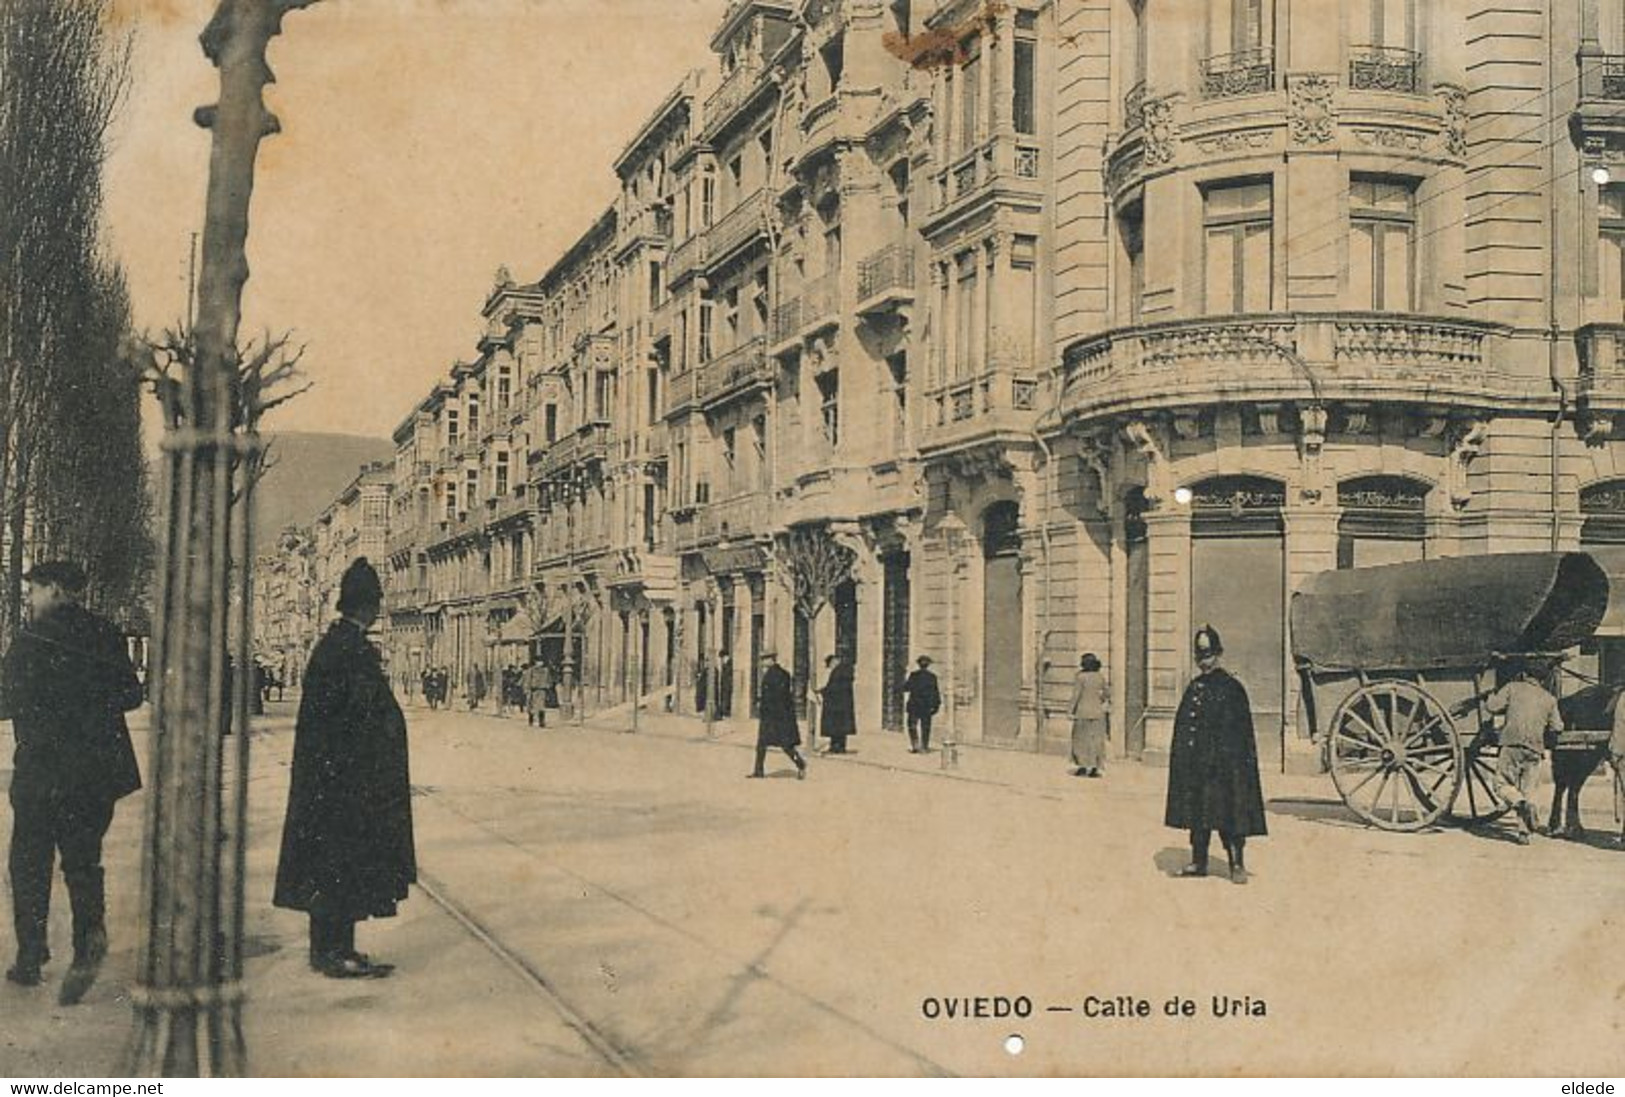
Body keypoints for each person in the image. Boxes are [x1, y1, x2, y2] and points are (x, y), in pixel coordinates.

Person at [1, 561, 143, 1003]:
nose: (31, 598)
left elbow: (3, 701)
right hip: (93, 774)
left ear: (57, 590)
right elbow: (132, 695)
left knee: (29, 861)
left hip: (42, 770)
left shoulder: (29, 641)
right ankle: (88, 940)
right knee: (83, 860)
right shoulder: (107, 634)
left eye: (36, 589)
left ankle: (30, 953)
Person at [273, 558, 416, 979]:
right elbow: (357, 713)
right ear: (368, 608)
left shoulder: (336, 645)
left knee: (335, 864)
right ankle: (334, 951)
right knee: (339, 863)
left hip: (334, 777)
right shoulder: (347, 650)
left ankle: (333, 947)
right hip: (344, 780)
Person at [1164, 626, 1267, 884]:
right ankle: (1199, 861)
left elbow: (1240, 735)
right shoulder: (1195, 687)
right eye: (1199, 656)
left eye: (1208, 655)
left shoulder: (1232, 688)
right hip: (1197, 766)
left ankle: (1236, 864)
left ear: (1218, 654)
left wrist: (1226, 763)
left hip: (1224, 768)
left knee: (1229, 813)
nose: (1204, 662)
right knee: (1197, 813)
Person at [1483, 659, 1563, 844]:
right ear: (1542, 680)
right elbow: (1557, 726)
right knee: (1529, 789)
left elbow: (1492, 706)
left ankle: (1519, 802)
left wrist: (1488, 695)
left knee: (1501, 784)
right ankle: (1523, 833)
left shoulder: (1512, 688)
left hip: (1511, 745)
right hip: (1534, 749)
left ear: (1525, 675)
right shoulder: (1549, 699)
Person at [750, 650, 807, 780]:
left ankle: (801, 764)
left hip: (776, 716)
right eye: (762, 659)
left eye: (765, 659)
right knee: (763, 744)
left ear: (772, 660)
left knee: (785, 745)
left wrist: (764, 705)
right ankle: (758, 771)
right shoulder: (777, 674)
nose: (763, 662)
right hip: (774, 716)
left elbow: (778, 696)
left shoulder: (777, 675)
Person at [1068, 653, 1110, 777]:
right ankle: (1094, 768)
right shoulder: (1100, 677)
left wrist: (1070, 710)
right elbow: (1106, 694)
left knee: (1080, 740)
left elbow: (1076, 695)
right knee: (1096, 740)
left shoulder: (1080, 677)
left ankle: (1082, 766)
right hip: (1097, 713)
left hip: (1082, 712)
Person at [901, 655, 941, 754]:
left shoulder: (914, 675)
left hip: (914, 705)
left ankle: (915, 745)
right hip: (926, 706)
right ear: (928, 665)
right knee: (926, 727)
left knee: (912, 726)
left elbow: (906, 688)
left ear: (919, 664)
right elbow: (935, 692)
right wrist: (936, 705)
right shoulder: (932, 677)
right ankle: (924, 747)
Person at [818, 653, 856, 754]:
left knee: (835, 727)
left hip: (835, 704)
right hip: (842, 704)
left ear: (834, 661)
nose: (830, 667)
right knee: (840, 728)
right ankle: (839, 747)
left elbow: (834, 688)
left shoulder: (838, 672)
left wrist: (822, 691)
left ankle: (836, 747)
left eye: (830, 665)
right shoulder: (845, 671)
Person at [524, 658, 554, 728]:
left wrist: (548, 687)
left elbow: (549, 680)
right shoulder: (531, 670)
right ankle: (531, 720)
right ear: (535, 662)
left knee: (541, 706)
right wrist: (527, 689)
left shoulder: (546, 671)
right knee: (531, 706)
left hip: (542, 690)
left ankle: (542, 722)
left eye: (541, 661)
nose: (540, 663)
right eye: (538, 662)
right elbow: (528, 680)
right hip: (533, 690)